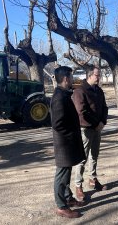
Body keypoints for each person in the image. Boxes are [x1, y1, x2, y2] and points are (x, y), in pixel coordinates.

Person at [51, 66, 86, 219]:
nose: (73, 80)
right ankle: (61, 206)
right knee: (62, 175)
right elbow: (57, 124)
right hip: (64, 144)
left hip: (68, 142)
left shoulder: (64, 94)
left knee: (67, 172)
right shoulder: (59, 97)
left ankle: (68, 197)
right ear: (66, 79)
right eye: (71, 77)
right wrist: (72, 135)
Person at [72, 67, 108, 201]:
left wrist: (102, 122)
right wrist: (96, 123)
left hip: (97, 128)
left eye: (100, 75)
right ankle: (78, 185)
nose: (99, 78)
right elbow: (82, 111)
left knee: (94, 155)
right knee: (82, 158)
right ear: (90, 75)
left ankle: (93, 179)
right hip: (86, 129)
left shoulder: (99, 90)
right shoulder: (80, 91)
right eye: (97, 75)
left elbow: (105, 107)